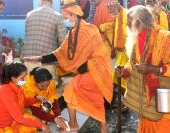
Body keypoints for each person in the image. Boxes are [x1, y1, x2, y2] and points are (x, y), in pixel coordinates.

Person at [23, 0, 113, 132]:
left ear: (73, 15)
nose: (65, 20)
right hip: (86, 72)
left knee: (75, 93)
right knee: (82, 95)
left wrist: (83, 66)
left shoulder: (89, 29)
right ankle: (90, 125)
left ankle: (81, 124)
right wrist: (38, 58)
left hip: (96, 71)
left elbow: (99, 54)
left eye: (66, 17)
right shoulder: (72, 32)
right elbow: (60, 53)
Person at [115, 5, 170, 133]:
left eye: (131, 22)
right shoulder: (135, 38)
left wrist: (153, 69)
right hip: (144, 97)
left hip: (162, 95)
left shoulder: (164, 39)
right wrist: (124, 70)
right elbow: (135, 65)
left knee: (160, 127)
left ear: (141, 22)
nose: (128, 26)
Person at [0, 63, 51, 133]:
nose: (25, 80)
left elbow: (22, 102)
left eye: (25, 77)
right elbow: (19, 119)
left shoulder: (17, 86)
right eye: (22, 78)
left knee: (32, 124)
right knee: (31, 125)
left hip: (11, 120)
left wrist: (37, 98)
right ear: (13, 78)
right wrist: (41, 125)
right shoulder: (6, 91)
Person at [20, 0, 66, 85]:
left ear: (40, 3)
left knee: (29, 87)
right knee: (46, 89)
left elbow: (27, 35)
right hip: (45, 59)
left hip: (28, 57)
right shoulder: (57, 16)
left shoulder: (29, 14)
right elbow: (63, 40)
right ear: (51, 4)